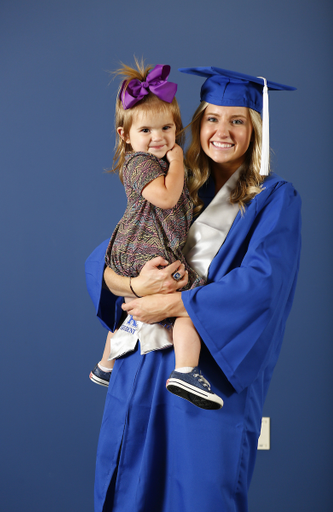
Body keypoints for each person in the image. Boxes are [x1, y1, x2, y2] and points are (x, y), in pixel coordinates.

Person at [85, 66, 301, 512]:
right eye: (212, 118)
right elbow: (108, 257)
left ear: (254, 128)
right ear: (197, 123)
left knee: (198, 494)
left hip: (205, 374)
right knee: (131, 491)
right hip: (141, 368)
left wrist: (171, 301)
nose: (222, 131)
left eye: (237, 120)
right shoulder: (178, 185)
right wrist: (134, 283)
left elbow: (261, 286)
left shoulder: (274, 198)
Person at [89, 60, 223, 410]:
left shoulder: (157, 162)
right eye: (146, 130)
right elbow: (166, 197)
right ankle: (186, 369)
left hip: (144, 247)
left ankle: (105, 366)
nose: (158, 138)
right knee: (188, 304)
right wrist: (178, 161)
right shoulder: (139, 164)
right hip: (143, 247)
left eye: (166, 128)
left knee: (129, 311)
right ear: (125, 135)